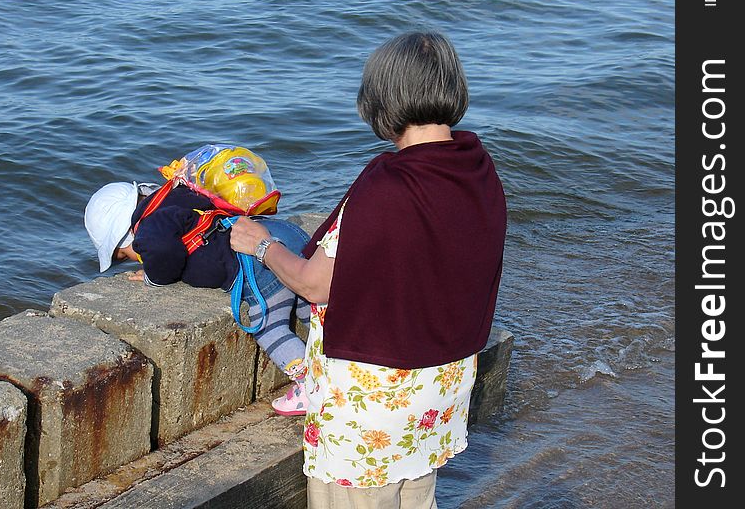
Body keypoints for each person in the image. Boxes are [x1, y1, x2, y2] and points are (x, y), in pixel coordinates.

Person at [230, 31, 507, 508]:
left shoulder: (388, 185)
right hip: (441, 385)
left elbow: (316, 285)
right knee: (417, 498)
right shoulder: (477, 169)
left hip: (375, 400)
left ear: (383, 99)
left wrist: (262, 244)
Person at [84, 154, 313, 416]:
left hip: (258, 268)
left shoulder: (148, 228)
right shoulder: (178, 193)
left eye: (124, 255)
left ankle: (312, 387)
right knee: (311, 310)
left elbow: (161, 251)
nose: (133, 258)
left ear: (127, 235)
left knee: (271, 328)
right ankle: (336, 359)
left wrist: (153, 276)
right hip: (283, 236)